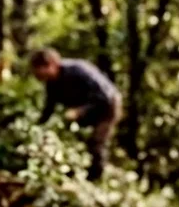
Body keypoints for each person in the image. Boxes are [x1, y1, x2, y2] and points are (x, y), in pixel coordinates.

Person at [30, 48, 122, 181]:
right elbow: (49, 107)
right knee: (73, 138)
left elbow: (104, 97)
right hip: (84, 109)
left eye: (42, 73)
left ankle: (96, 178)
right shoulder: (51, 83)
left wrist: (80, 111)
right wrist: (39, 126)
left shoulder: (78, 71)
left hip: (107, 106)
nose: (41, 78)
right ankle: (76, 171)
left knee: (96, 142)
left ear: (52, 64)